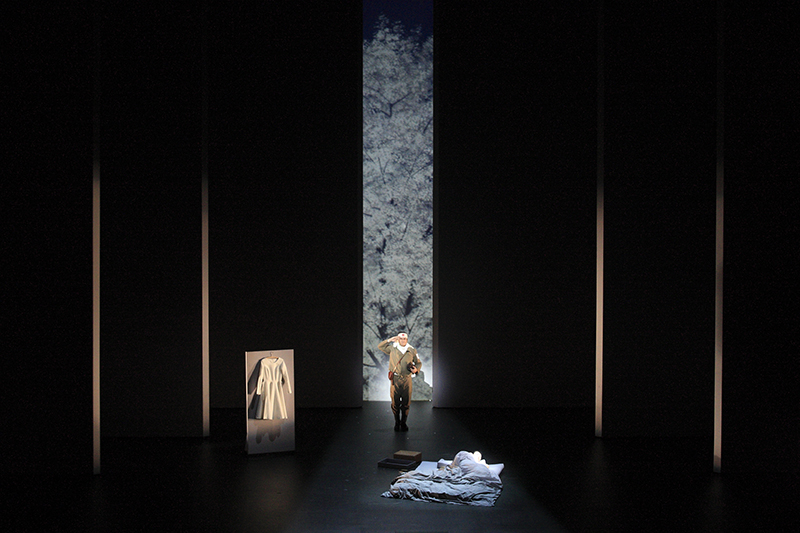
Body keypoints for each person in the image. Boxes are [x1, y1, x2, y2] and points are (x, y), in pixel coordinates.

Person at [378, 332, 421, 431]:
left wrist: (416, 369)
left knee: (406, 403)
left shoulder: (411, 350)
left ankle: (403, 423)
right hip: (395, 379)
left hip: (407, 379)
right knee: (395, 403)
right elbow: (380, 346)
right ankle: (397, 422)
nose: (403, 341)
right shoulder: (393, 348)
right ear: (398, 339)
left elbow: (418, 362)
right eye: (401, 339)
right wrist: (390, 340)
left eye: (404, 339)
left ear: (407, 340)